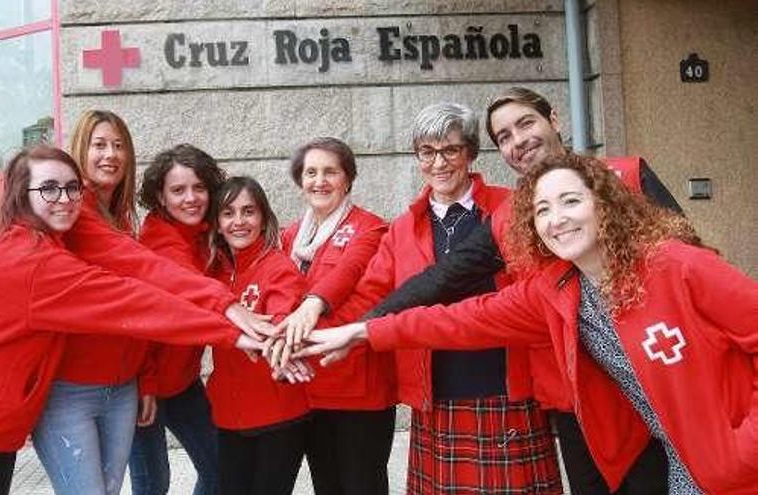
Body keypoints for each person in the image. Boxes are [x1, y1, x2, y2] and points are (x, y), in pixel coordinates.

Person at [302, 153, 758, 494]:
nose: (557, 219)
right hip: (685, 466)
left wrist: (741, 453)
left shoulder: (675, 265)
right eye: (542, 210)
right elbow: (460, 320)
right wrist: (363, 331)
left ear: (605, 205)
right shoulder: (558, 289)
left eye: (570, 201)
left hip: (736, 462)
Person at [0, 146, 258, 495]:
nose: (64, 199)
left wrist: (224, 308)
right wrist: (230, 331)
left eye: (71, 188)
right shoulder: (34, 261)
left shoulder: (30, 233)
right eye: (49, 189)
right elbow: (130, 301)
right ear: (21, 193)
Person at [365, 87, 678, 494]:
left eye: (525, 123)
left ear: (554, 119)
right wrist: (362, 326)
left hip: (651, 374)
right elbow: (445, 280)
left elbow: (688, 260)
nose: (518, 141)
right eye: (505, 137)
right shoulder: (505, 217)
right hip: (569, 391)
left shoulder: (621, 177)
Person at [284, 103, 561, 493]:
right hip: (434, 392)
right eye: (427, 152)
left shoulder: (509, 207)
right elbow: (372, 294)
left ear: (470, 153)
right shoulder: (402, 227)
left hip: (506, 387)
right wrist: (315, 338)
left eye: (450, 150)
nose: (439, 163)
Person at [31, 110, 274, 495]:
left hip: (161, 380)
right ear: (160, 196)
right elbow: (153, 283)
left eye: (117, 145)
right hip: (125, 381)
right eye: (99, 144)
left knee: (212, 470)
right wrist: (228, 310)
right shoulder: (94, 218)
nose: (110, 154)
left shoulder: (145, 222)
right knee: (150, 483)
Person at [280, 137, 395, 495]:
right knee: (326, 485)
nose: (320, 181)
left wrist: (303, 331)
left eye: (331, 171)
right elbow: (279, 295)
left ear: (348, 179)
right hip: (309, 388)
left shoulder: (371, 228)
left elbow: (361, 290)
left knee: (363, 486)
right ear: (300, 182)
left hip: (359, 386)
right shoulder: (289, 237)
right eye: (311, 172)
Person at [128, 145, 227, 495]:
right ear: (160, 196)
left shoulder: (205, 236)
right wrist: (147, 385)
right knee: (153, 484)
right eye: (178, 190)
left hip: (182, 381)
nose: (191, 198)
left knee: (220, 469)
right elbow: (140, 328)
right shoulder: (159, 246)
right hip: (141, 384)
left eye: (199, 188)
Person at [207, 176, 311, 495]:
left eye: (249, 211)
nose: (239, 221)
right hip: (226, 413)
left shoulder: (277, 267)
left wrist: (277, 340)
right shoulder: (213, 273)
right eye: (228, 213)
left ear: (263, 217)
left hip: (278, 415)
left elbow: (282, 313)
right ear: (217, 223)